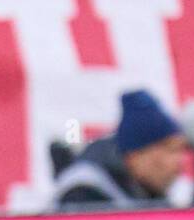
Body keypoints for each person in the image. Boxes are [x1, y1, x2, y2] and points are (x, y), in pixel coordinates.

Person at [52, 90, 186, 210]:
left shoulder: (146, 190)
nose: (179, 163)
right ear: (136, 155)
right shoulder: (84, 193)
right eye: (171, 150)